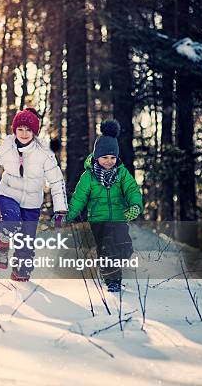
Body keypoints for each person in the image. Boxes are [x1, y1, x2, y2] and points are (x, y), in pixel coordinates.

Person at [0, 108, 68, 282]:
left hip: (32, 203)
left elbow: (56, 181)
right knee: (12, 220)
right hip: (8, 194)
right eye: (20, 129)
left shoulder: (44, 154)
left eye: (28, 130)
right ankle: (1, 246)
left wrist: (61, 209)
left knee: (26, 243)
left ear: (35, 132)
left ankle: (20, 274)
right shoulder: (7, 149)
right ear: (14, 130)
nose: (24, 133)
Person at [65, 119, 143, 292]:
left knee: (124, 247)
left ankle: (107, 266)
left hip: (119, 217)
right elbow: (79, 198)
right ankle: (112, 280)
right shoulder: (89, 176)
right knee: (108, 246)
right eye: (104, 157)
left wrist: (135, 206)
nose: (109, 161)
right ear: (96, 156)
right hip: (98, 220)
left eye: (112, 157)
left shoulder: (122, 173)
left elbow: (132, 190)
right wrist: (68, 215)